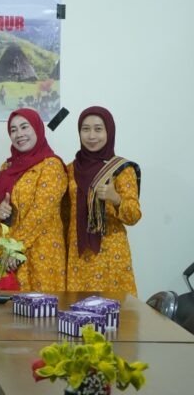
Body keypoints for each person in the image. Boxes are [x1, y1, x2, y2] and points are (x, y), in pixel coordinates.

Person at [0, 108, 67, 291]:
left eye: (24, 127)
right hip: (6, 255)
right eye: (13, 130)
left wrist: (15, 248)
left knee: (40, 306)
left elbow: (40, 213)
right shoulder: (7, 166)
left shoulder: (51, 165)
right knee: (6, 306)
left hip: (40, 252)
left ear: (37, 128)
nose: (19, 134)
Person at [66, 107, 142, 296]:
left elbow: (133, 216)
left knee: (115, 309)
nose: (92, 136)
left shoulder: (122, 169)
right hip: (77, 255)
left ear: (109, 131)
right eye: (85, 129)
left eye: (98, 129)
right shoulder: (70, 169)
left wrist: (115, 198)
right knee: (77, 309)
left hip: (110, 254)